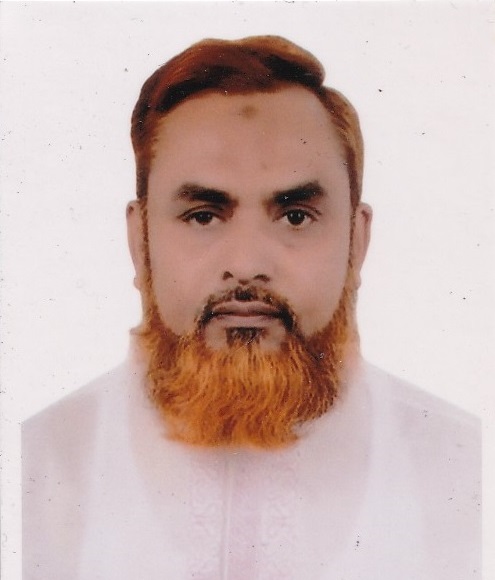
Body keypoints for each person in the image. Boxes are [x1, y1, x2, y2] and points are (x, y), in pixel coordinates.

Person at [23, 36, 481, 579]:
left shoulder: (465, 465)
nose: (246, 264)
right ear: (139, 243)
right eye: (203, 215)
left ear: (356, 242)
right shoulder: (37, 463)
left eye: (294, 216)